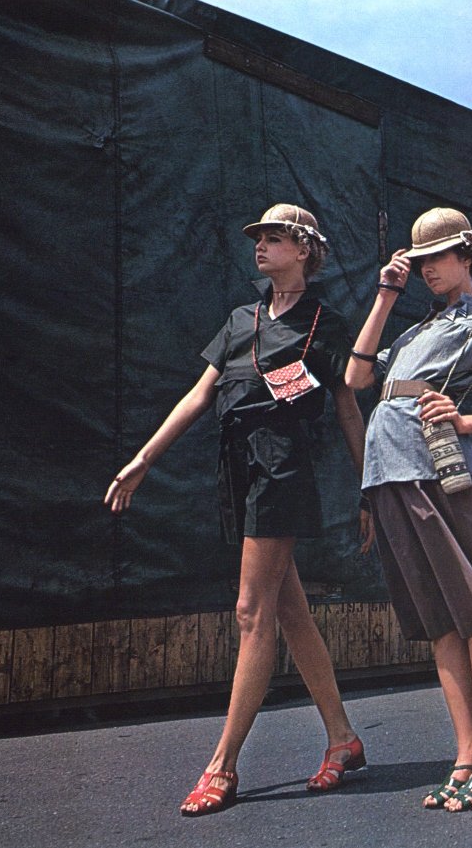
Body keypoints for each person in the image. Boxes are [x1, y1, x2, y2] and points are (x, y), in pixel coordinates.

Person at [104, 204, 367, 816]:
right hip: (239, 466)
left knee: (252, 612)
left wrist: (369, 487)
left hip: (283, 467)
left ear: (304, 250)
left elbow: (349, 409)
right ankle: (343, 738)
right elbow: (199, 395)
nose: (260, 247)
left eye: (274, 238)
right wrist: (143, 459)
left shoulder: (326, 324)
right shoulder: (239, 319)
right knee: (289, 610)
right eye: (258, 238)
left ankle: (222, 765)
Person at [345, 207, 472, 812]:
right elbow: (355, 377)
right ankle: (466, 753)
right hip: (387, 474)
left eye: (437, 257)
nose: (427, 269)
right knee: (441, 624)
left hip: (438, 474)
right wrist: (386, 295)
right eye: (420, 260)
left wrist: (469, 421)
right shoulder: (412, 332)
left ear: (467, 256)